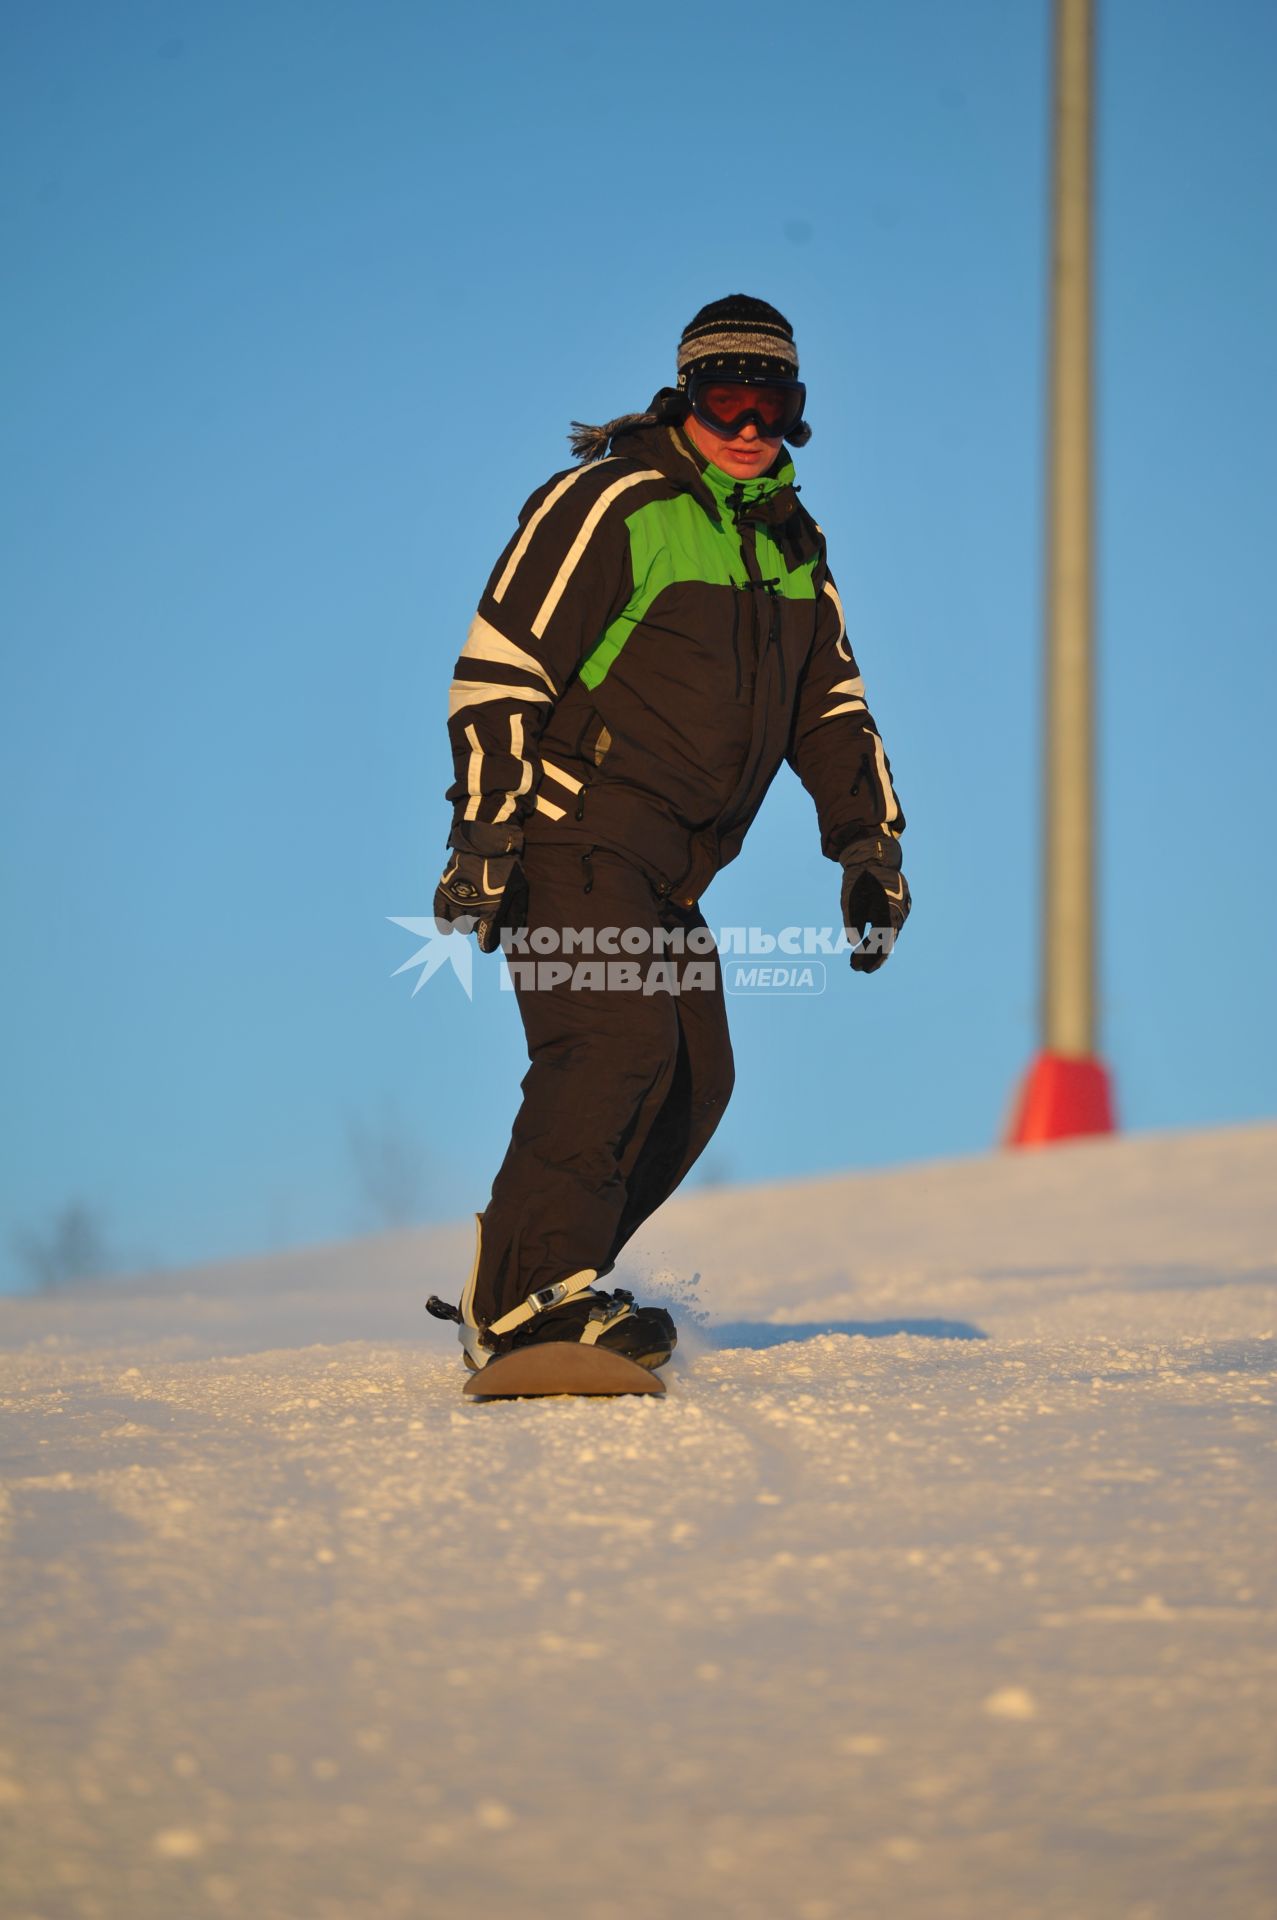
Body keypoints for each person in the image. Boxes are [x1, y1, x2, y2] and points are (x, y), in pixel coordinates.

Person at [427, 294, 909, 1374]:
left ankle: (550, 1277)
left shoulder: (789, 542)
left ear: (797, 412)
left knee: (694, 1077)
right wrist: (485, 835)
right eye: (722, 397)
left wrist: (867, 849)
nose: (746, 425)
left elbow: (828, 708)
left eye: (768, 400)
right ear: (683, 399)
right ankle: (522, 1300)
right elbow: (498, 671)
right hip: (565, 832)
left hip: (667, 869)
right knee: (612, 1044)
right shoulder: (612, 501)